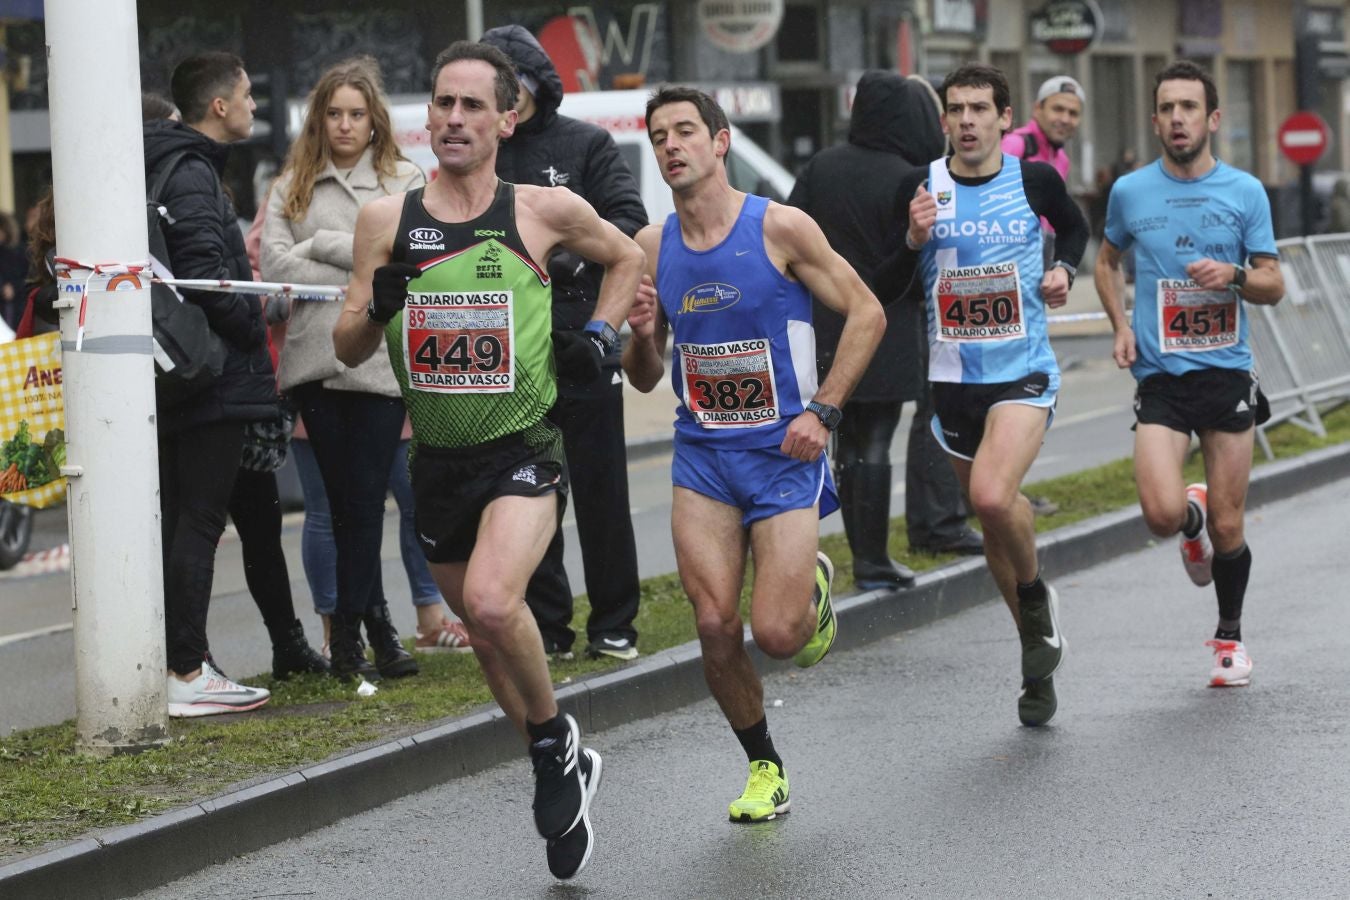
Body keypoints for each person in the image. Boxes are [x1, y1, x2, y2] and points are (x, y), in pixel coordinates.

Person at [331, 42, 644, 879]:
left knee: (500, 606)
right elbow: (347, 339)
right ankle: (559, 752)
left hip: (524, 445)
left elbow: (629, 257)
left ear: (509, 118)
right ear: (426, 117)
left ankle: (551, 747)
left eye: (473, 106)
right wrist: (377, 308)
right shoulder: (384, 222)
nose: (454, 120)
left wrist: (604, 338)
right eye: (442, 105)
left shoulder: (542, 210)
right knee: (484, 636)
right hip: (437, 458)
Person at [622, 87, 885, 821]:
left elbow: (867, 311)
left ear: (720, 141)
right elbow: (644, 374)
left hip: (783, 453)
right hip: (702, 455)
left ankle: (812, 595)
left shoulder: (781, 228)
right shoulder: (651, 246)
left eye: (684, 132)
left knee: (777, 633)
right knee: (712, 625)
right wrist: (642, 335)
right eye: (658, 136)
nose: (671, 145)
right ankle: (764, 764)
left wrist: (825, 411)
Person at [892, 62, 1090, 727]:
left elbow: (1077, 227)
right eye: (956, 109)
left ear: (1007, 119)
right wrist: (914, 237)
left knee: (989, 496)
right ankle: (1035, 651)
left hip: (1022, 372)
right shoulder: (922, 186)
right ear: (944, 119)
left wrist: (1062, 268)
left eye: (980, 108)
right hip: (953, 383)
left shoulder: (1031, 178)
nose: (968, 120)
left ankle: (1035, 600)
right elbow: (893, 283)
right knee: (997, 523)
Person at [1094, 60, 1283, 688]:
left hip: (1227, 375)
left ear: (1213, 119)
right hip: (1162, 380)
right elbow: (1106, 261)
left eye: (1189, 108)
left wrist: (1231, 275)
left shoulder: (1246, 192)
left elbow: (1274, 284)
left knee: (1232, 524)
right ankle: (1188, 521)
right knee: (1158, 512)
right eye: (1168, 109)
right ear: (1155, 120)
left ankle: (1229, 639)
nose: (1178, 119)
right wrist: (1121, 326)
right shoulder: (1129, 192)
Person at [480, 25, 647, 661]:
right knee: (528, 493)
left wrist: (570, 259)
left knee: (603, 494)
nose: (506, 102)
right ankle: (548, 627)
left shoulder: (587, 143)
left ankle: (615, 623)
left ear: (537, 83)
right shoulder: (481, 156)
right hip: (507, 356)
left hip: (583, 344)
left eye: (514, 86)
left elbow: (628, 219)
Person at [262, 57, 427, 681]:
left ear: (374, 119)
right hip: (314, 360)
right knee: (345, 504)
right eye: (334, 113)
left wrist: (326, 245)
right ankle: (364, 636)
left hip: (384, 360)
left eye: (356, 114)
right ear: (318, 119)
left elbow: (408, 257)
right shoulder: (290, 184)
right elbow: (277, 266)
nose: (345, 125)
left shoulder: (404, 176)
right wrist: (363, 253)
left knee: (367, 503)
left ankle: (366, 633)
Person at [788, 71, 978, 590]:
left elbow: (789, 237)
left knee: (843, 440)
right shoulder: (915, 175)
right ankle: (873, 561)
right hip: (888, 325)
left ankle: (852, 554)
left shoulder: (821, 167)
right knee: (876, 441)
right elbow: (928, 258)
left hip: (824, 325)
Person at [149, 51, 278, 715]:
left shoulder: (162, 162)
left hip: (179, 371)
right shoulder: (194, 173)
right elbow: (207, 274)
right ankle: (187, 669)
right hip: (211, 374)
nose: (255, 105)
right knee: (197, 522)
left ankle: (177, 661)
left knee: (179, 520)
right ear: (219, 106)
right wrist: (252, 326)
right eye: (248, 93)